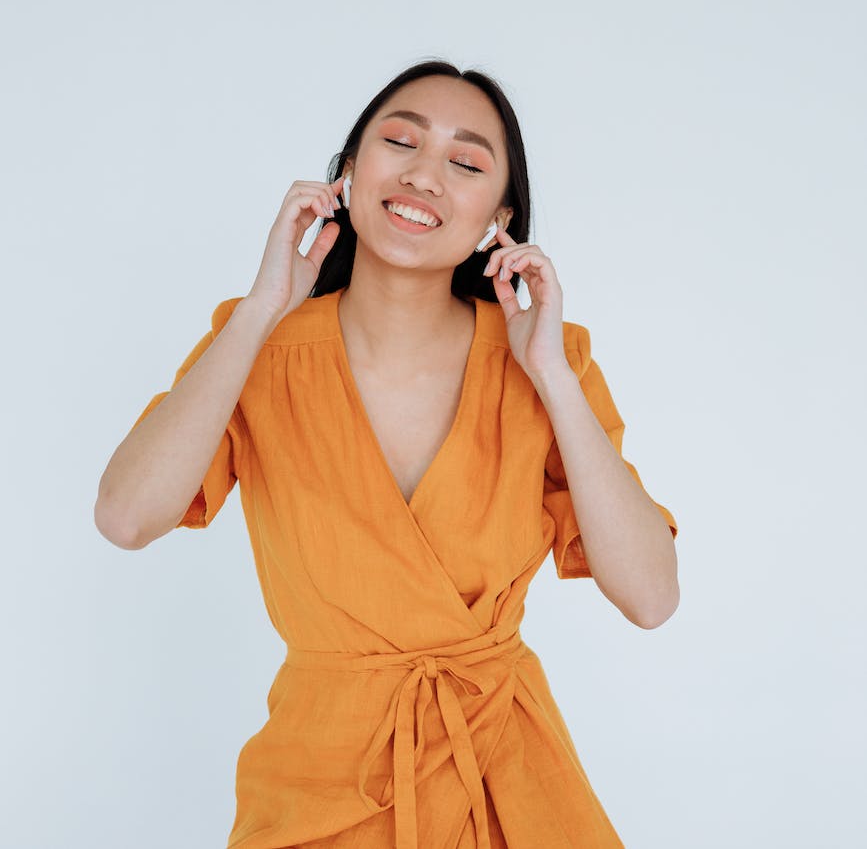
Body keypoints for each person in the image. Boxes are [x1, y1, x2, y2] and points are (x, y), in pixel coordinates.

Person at [94, 57, 679, 849]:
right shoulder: (258, 349)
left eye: (464, 162)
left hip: (508, 786)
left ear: (499, 219)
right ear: (345, 174)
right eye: (399, 142)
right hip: (318, 790)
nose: (423, 175)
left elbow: (650, 597)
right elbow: (126, 518)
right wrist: (264, 305)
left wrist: (548, 374)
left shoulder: (549, 362)